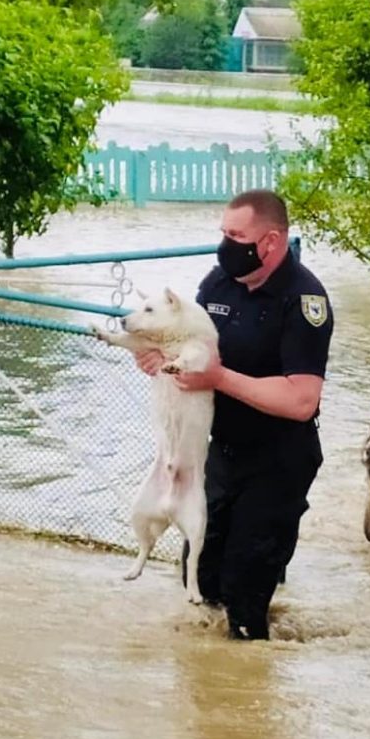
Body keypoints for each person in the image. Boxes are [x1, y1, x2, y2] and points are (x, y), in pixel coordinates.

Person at [137, 190, 333, 639]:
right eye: (223, 233)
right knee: (199, 577)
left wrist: (219, 379)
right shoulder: (217, 283)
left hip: (278, 459)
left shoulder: (304, 300)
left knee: (244, 595)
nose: (227, 244)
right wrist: (158, 359)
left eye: (237, 235)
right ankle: (207, 697)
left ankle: (250, 690)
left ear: (271, 241)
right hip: (221, 452)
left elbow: (302, 400)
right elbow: (190, 351)